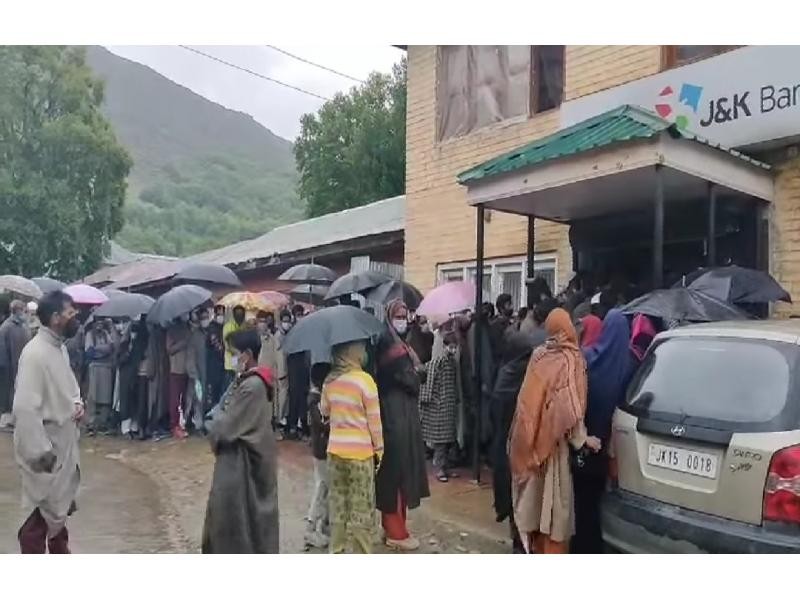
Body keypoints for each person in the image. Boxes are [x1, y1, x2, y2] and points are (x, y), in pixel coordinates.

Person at [509, 308, 601, 554]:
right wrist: (583, 440)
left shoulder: (539, 355)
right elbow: (570, 412)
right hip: (555, 448)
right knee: (555, 511)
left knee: (536, 506)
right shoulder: (572, 359)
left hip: (531, 444)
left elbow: (527, 404)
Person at [13, 291, 82, 553]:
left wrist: (76, 404)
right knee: (35, 520)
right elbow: (25, 409)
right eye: (70, 312)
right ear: (55, 318)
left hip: (63, 447)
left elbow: (69, 389)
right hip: (46, 452)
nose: (75, 316)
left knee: (59, 516)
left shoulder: (59, 348)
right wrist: (41, 455)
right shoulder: (34, 354)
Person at [202, 329, 279, 553]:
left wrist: (212, 423)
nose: (234, 359)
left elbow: (225, 427)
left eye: (235, 353)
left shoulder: (252, 386)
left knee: (234, 517)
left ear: (247, 354)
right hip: (239, 457)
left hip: (242, 462)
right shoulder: (244, 382)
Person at [572, 308, 636, 554]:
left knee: (580, 503)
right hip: (607, 446)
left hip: (581, 443)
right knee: (597, 503)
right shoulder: (628, 367)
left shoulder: (586, 358)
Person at [375, 299, 429, 551]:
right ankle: (395, 530)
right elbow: (412, 380)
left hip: (400, 412)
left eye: (405, 314)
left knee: (400, 471)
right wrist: (417, 374)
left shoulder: (400, 343)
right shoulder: (392, 347)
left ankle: (395, 528)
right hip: (394, 414)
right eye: (398, 315)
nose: (402, 319)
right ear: (388, 316)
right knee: (395, 472)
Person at [321, 340, 383, 554]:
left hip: (335, 452)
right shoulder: (365, 381)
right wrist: (379, 450)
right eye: (361, 349)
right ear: (352, 352)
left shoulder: (330, 381)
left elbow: (324, 411)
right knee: (361, 508)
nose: (364, 352)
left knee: (338, 506)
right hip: (360, 454)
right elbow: (374, 421)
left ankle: (336, 550)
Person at [419, 330, 459, 482]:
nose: (453, 350)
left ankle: (445, 467)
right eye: (451, 347)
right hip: (439, 406)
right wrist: (429, 400)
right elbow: (428, 383)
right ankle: (440, 469)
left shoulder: (452, 363)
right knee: (440, 441)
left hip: (448, 405)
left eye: (455, 347)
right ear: (445, 346)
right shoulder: (438, 362)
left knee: (447, 440)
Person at [305, 362, 331, 549]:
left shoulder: (320, 397)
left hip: (325, 449)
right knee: (321, 486)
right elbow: (321, 422)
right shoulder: (314, 400)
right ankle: (311, 527)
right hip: (321, 451)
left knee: (327, 486)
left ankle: (325, 524)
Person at [0, 300, 31, 430]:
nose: (24, 313)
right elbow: (1, 349)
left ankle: (16, 418)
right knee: (8, 393)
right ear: (17, 310)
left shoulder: (23, 326)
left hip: (22, 364)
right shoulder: (6, 327)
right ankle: (6, 420)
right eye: (23, 310)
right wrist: (4, 367)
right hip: (9, 367)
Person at [85, 318, 118, 434]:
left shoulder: (106, 334)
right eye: (97, 322)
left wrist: (100, 350)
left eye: (101, 322)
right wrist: (104, 350)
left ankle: (103, 422)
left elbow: (112, 347)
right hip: (95, 367)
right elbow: (90, 351)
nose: (99, 325)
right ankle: (91, 423)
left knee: (105, 396)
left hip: (106, 367)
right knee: (93, 396)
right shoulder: (90, 335)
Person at [258, 310, 288, 437]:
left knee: (272, 404)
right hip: (256, 376)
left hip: (270, 375)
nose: (262, 324)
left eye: (264, 321)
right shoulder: (253, 338)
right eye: (260, 321)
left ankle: (272, 427)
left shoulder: (273, 339)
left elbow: (278, 356)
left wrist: (280, 373)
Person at [185, 308, 209, 434]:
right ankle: (196, 425)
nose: (206, 320)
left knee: (204, 400)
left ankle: (202, 424)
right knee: (196, 400)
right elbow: (191, 356)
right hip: (197, 374)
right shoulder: (195, 335)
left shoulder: (209, 334)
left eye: (207, 317)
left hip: (207, 373)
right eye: (204, 318)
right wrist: (194, 374)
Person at [206, 306, 226, 410]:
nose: (221, 316)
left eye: (222, 314)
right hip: (213, 363)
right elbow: (215, 343)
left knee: (220, 390)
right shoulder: (212, 327)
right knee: (213, 389)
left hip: (223, 364)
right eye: (219, 314)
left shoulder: (224, 327)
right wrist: (224, 352)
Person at [223, 305, 246, 392]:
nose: (240, 315)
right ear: (233, 314)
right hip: (231, 365)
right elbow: (228, 346)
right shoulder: (228, 326)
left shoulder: (243, 327)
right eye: (237, 314)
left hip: (240, 365)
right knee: (230, 391)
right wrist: (238, 352)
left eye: (241, 314)